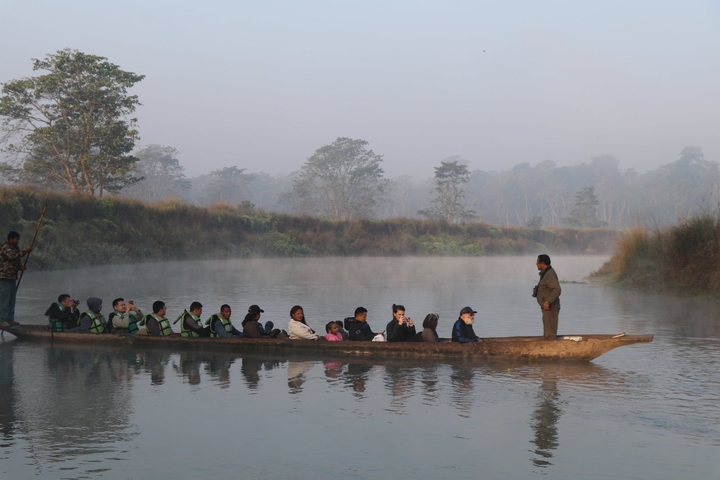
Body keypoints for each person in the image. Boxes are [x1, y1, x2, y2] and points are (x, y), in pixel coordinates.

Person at [0, 231, 32, 328]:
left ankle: (10, 319)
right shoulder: (6, 247)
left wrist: (20, 267)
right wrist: (26, 251)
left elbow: (16, 260)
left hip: (12, 277)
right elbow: (12, 256)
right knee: (5, 299)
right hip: (4, 276)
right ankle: (2, 320)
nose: (17, 241)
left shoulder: (15, 248)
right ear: (11, 239)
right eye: (16, 239)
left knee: (12, 299)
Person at [535, 254, 561, 340]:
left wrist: (547, 302)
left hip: (550, 307)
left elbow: (557, 289)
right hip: (547, 308)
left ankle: (551, 350)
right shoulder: (545, 273)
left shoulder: (549, 274)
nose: (536, 264)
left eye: (537, 263)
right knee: (547, 332)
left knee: (550, 333)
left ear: (543, 263)